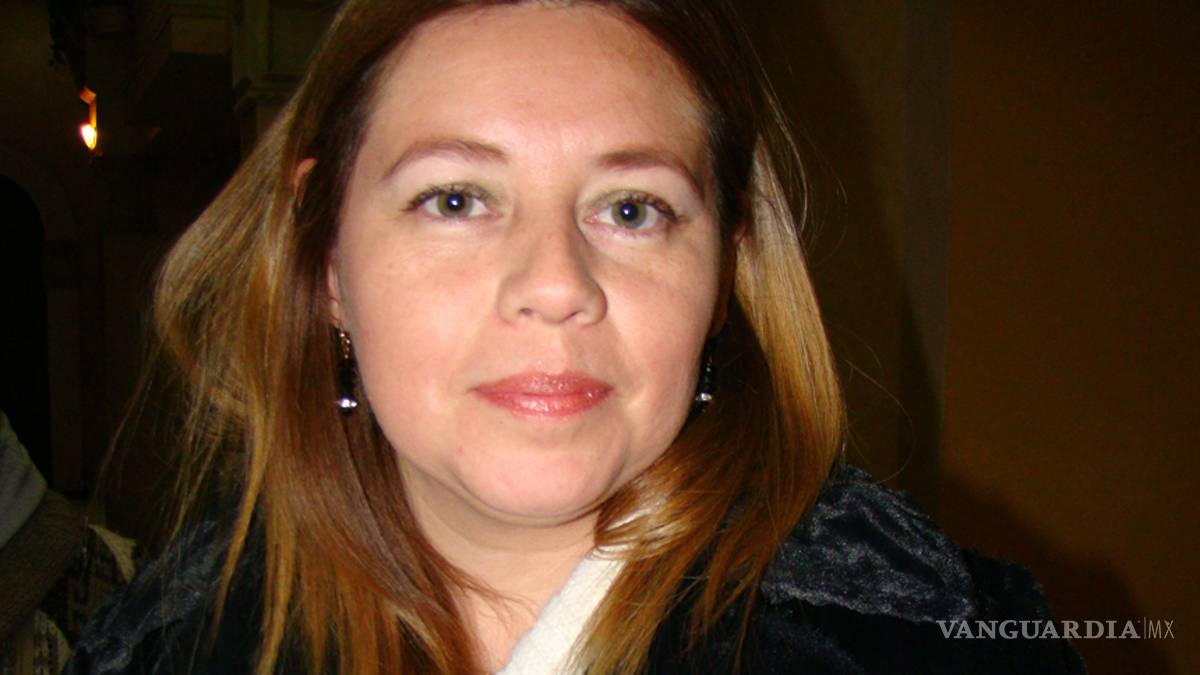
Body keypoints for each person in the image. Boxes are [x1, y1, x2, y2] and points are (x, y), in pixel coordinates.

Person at [65, 1, 1085, 673]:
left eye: (632, 209)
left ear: (724, 276)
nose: (556, 285)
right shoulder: (158, 652)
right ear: (327, 259)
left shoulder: (942, 645)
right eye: (456, 198)